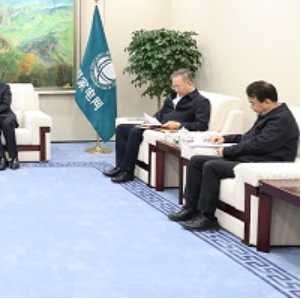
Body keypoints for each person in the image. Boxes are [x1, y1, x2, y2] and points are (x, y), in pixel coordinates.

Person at [167, 81, 299, 231]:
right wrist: (225, 138)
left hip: (265, 162)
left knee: (212, 167)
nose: (251, 107)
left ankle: (207, 217)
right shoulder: (268, 114)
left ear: (267, 102)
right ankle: (190, 208)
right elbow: (249, 137)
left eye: (253, 103)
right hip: (253, 157)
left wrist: (228, 151)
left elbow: (259, 145)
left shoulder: (281, 119)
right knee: (197, 161)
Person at [104, 69, 211, 183]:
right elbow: (162, 112)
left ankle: (128, 172)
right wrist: (151, 120)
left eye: (178, 86)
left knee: (135, 132)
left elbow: (201, 125)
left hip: (170, 130)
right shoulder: (173, 96)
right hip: (158, 125)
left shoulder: (201, 102)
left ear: (189, 83)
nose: (175, 89)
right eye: (174, 86)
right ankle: (120, 167)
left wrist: (179, 125)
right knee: (121, 128)